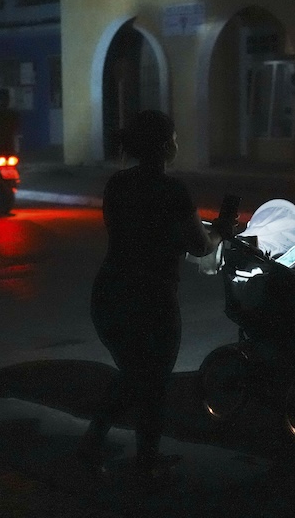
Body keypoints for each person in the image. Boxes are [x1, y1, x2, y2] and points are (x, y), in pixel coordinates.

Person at [75, 109, 226, 484]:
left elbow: (135, 231)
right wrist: (221, 231)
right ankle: (147, 460)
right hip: (151, 298)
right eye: (173, 138)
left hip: (110, 292)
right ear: (163, 146)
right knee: (153, 381)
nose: (176, 144)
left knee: (133, 374)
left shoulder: (117, 184)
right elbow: (200, 245)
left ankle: (93, 443)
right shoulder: (172, 190)